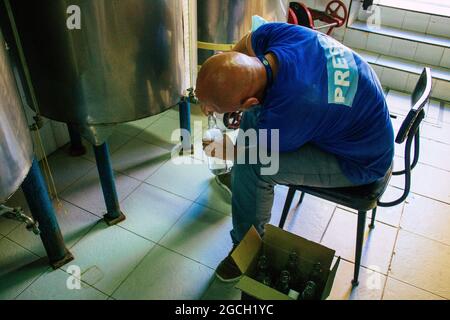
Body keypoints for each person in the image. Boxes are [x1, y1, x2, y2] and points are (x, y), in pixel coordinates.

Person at [196, 23, 394, 282]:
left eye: (211, 108)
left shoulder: (291, 112)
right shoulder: (282, 35)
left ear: (247, 101)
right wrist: (225, 80)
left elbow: (256, 153)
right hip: (355, 123)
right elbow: (246, 43)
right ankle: (242, 188)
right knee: (257, 119)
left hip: (360, 160)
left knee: (253, 167)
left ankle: (246, 249)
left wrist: (227, 150)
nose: (207, 110)